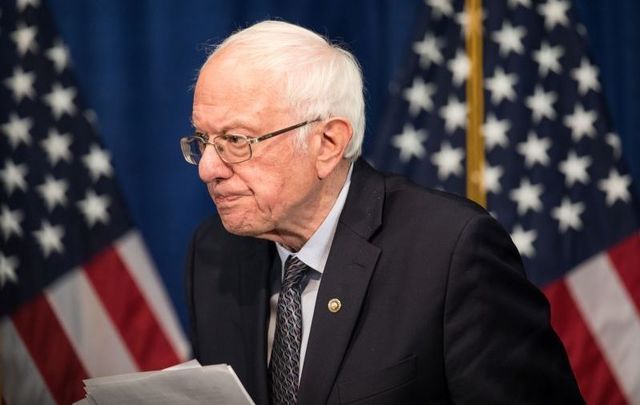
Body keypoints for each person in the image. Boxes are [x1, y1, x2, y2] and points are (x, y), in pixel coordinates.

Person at [182, 20, 584, 405]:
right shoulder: (214, 250)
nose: (207, 169)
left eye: (236, 140)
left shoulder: (450, 253)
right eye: (203, 139)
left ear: (327, 143)